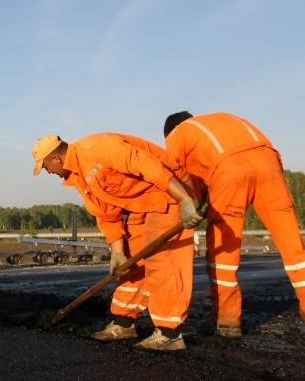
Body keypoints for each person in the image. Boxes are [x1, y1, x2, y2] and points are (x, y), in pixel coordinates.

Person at [163, 111, 305, 343]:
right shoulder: (222, 119)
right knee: (295, 250)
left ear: (169, 132)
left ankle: (227, 321)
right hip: (270, 166)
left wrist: (189, 207)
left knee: (224, 253)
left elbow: (180, 181)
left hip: (229, 171)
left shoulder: (177, 134)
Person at [32, 133, 202, 351]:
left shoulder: (98, 148)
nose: (47, 171)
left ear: (55, 159)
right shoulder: (79, 177)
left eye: (45, 167)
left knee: (163, 262)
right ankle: (124, 323)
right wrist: (117, 253)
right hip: (143, 203)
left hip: (170, 191)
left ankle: (170, 334)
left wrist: (185, 199)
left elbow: (150, 167)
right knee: (130, 261)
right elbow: (106, 214)